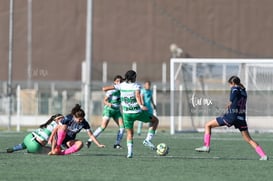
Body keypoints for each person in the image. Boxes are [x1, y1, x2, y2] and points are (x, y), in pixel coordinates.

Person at [195, 75, 268, 160]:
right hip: (241, 118)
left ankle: (206, 146)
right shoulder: (244, 92)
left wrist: (230, 101)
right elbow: (238, 97)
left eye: (230, 84)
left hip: (232, 117)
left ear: (232, 83)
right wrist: (231, 104)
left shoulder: (234, 89)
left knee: (208, 125)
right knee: (249, 139)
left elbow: (232, 98)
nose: (229, 86)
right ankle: (263, 155)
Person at [103, 70, 159, 158]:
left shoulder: (121, 86)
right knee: (155, 121)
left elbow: (104, 89)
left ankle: (130, 153)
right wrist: (141, 105)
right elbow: (137, 96)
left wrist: (114, 89)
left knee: (130, 133)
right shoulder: (136, 86)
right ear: (134, 78)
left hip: (126, 114)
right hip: (137, 112)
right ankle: (147, 140)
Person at [85, 75, 125, 149]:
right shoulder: (112, 90)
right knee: (103, 127)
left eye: (121, 81)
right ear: (114, 82)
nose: (119, 82)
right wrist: (108, 104)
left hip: (116, 111)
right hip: (108, 110)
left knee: (122, 127)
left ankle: (117, 144)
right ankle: (89, 140)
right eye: (118, 81)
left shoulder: (122, 89)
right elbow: (104, 100)